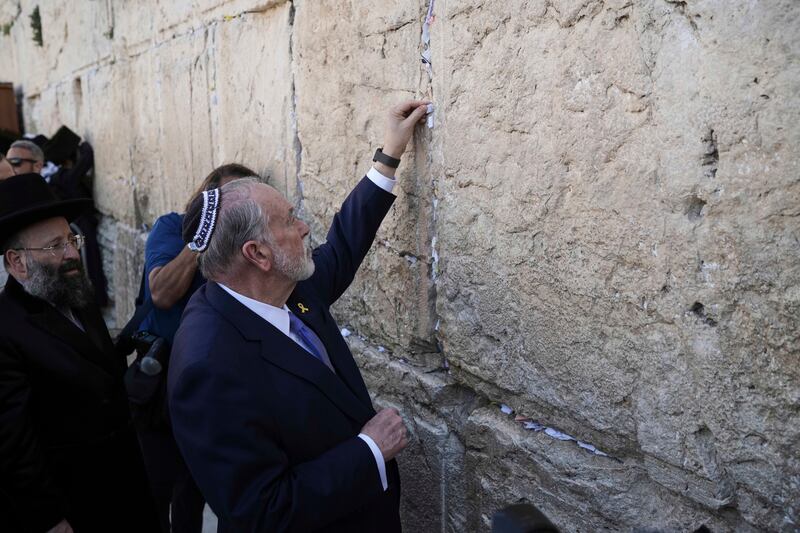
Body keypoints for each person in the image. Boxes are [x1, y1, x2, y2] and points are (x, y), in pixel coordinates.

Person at [168, 99, 430, 532]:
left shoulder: (283, 287)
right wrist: (367, 450)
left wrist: (388, 156)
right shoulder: (209, 366)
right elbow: (262, 510)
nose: (304, 227)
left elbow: (343, 247)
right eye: (289, 220)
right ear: (257, 254)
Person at [0, 174, 160, 533]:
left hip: (128, 482)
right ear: (17, 262)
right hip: (78, 505)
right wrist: (50, 519)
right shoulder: (6, 330)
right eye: (55, 245)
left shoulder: (74, 292)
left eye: (72, 238)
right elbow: (13, 445)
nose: (72, 252)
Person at [136, 163, 257, 533]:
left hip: (212, 387)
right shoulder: (172, 228)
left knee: (198, 489)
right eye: (228, 200)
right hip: (159, 383)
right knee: (156, 486)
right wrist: (199, 240)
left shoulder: (245, 247)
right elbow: (162, 293)